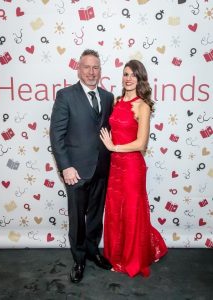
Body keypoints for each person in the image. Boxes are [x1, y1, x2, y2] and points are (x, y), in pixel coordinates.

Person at [50, 49, 114, 283]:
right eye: (86, 67)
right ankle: (78, 260)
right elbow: (56, 135)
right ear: (78, 69)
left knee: (96, 215)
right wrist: (65, 166)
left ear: (100, 70)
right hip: (75, 171)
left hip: (101, 168)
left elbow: (109, 132)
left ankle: (92, 251)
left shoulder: (108, 97)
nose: (91, 72)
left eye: (95, 67)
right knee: (77, 218)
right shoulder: (66, 95)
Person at [100, 59, 168, 278]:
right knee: (114, 212)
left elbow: (141, 144)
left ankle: (131, 260)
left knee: (131, 212)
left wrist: (114, 146)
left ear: (140, 79)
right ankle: (116, 256)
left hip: (131, 167)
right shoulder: (117, 101)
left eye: (133, 75)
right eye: (125, 74)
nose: (128, 78)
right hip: (115, 167)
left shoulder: (142, 105)